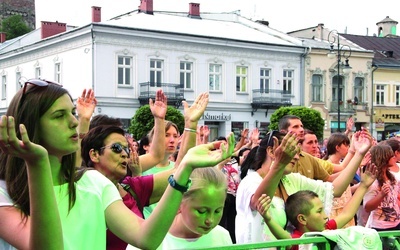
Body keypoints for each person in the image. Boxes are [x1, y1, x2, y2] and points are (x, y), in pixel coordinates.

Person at [0, 79, 235, 249]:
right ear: (29, 125)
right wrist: (38, 164)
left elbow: (147, 238)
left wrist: (185, 167)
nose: (73, 121)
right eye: (59, 116)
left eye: (72, 112)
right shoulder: (4, 194)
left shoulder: (93, 182)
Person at [81, 92, 210, 250]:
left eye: (127, 149)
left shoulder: (132, 187)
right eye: (116, 148)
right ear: (93, 154)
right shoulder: (80, 189)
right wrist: (84, 120)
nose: (124, 153)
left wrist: (190, 124)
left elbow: (179, 170)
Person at [235, 128, 372, 243]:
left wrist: (358, 154)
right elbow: (259, 201)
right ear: (271, 151)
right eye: (290, 152)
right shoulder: (250, 182)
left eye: (298, 152)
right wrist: (279, 164)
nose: (296, 157)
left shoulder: (290, 179)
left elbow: (334, 189)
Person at [256, 162, 377, 250]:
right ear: (302, 219)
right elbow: (283, 237)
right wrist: (268, 218)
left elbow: (347, 214)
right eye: (319, 211)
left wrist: (363, 186)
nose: (325, 216)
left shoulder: (327, 229)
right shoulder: (298, 240)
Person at [153, 167, 233, 249]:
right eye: (202, 211)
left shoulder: (222, 236)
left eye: (217, 211)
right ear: (179, 202)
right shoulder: (155, 240)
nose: (210, 220)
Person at [278, 115, 355, 180]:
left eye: (301, 126)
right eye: (296, 127)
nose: (301, 130)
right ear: (283, 132)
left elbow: (331, 178)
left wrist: (357, 153)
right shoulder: (276, 156)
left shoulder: (310, 159)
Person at [364, 143, 400, 231]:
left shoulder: (392, 177)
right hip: (380, 227)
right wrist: (381, 195)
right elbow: (367, 207)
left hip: (396, 224)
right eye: (391, 155)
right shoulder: (372, 180)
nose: (394, 157)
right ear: (383, 158)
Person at [323, 132, 355, 228]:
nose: (348, 149)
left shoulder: (342, 164)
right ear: (337, 147)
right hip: (333, 213)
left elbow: (346, 190)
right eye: (346, 145)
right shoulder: (326, 166)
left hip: (346, 211)